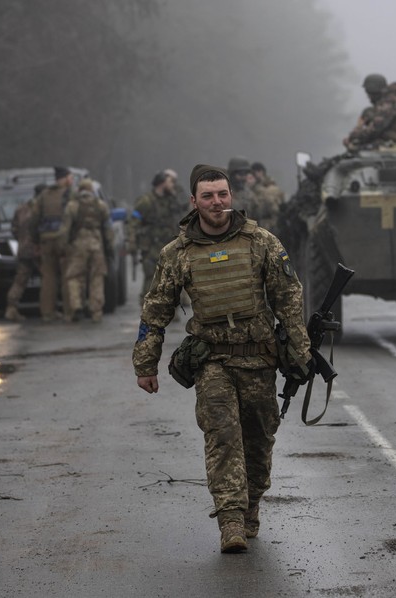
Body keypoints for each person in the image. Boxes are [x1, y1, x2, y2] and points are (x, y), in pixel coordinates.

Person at [133, 164, 311, 553]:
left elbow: (289, 299)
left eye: (223, 194)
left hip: (259, 361)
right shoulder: (177, 253)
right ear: (193, 202)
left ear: (231, 197)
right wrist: (145, 364)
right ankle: (230, 519)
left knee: (259, 440)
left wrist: (301, 352)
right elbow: (155, 311)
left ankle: (250, 507)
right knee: (223, 438)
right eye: (208, 196)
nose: (217, 202)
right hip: (212, 362)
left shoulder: (261, 242)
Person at [59, 178, 113, 323]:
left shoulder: (72, 206)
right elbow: (108, 229)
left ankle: (76, 305)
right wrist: (110, 247)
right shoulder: (101, 205)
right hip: (96, 245)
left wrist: (63, 247)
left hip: (78, 246)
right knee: (97, 278)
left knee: (75, 277)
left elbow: (65, 230)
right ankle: (96, 311)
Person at [30, 167, 74, 321]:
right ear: (65, 178)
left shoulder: (43, 195)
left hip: (46, 240)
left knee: (48, 277)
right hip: (64, 241)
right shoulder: (70, 194)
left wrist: (35, 241)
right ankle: (69, 312)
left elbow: (34, 219)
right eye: (70, 177)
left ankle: (47, 313)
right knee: (68, 277)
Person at [130, 171, 181, 305]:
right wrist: (132, 243)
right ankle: (147, 312)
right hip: (151, 247)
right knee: (151, 279)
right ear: (162, 183)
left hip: (169, 247)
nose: (173, 185)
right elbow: (133, 223)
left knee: (171, 279)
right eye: (170, 182)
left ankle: (170, 312)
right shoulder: (146, 201)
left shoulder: (171, 200)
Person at [344, 75, 396, 151]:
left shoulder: (390, 103)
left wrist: (355, 134)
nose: (368, 97)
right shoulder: (393, 100)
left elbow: (375, 129)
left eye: (369, 93)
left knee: (356, 149)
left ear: (374, 92)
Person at [4, 182, 45, 322]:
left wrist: (22, 240)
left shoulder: (21, 209)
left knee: (20, 281)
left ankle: (11, 309)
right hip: (39, 249)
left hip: (24, 249)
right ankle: (48, 309)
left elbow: (14, 229)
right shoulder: (41, 208)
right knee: (48, 279)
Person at [250, 161, 286, 234]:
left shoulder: (270, 188)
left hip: (269, 225)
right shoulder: (255, 187)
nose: (253, 176)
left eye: (254, 173)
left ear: (261, 172)